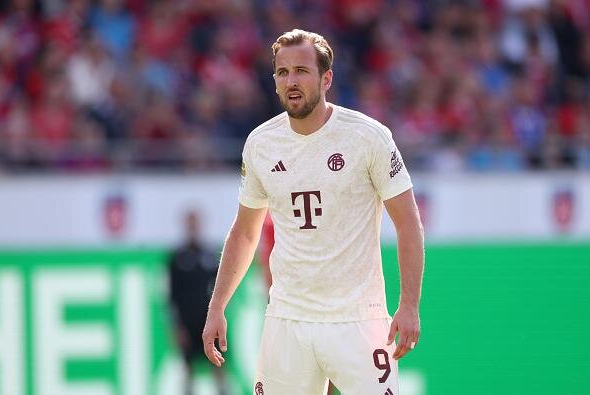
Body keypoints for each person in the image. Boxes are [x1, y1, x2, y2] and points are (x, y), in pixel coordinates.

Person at [202, 29, 424, 395]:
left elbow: (408, 223)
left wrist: (409, 305)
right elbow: (245, 232)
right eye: (282, 72)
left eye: (302, 71)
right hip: (288, 319)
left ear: (326, 78)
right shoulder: (261, 144)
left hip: (358, 318)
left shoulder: (368, 137)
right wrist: (217, 306)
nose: (291, 81)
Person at [168, 210, 228, 395]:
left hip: (208, 319)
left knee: (218, 363)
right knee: (188, 367)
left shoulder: (209, 256)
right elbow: (171, 296)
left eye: (195, 223)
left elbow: (222, 286)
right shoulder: (177, 259)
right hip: (187, 321)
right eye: (190, 223)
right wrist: (177, 326)